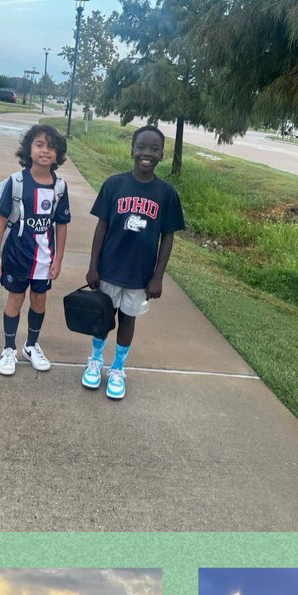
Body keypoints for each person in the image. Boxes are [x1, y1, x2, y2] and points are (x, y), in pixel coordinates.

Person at [84, 125, 186, 400]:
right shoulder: (114, 185)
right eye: (141, 146)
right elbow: (101, 227)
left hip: (140, 275)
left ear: (162, 155)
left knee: (128, 320)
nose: (147, 153)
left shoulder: (166, 194)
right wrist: (93, 266)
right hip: (108, 268)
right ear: (132, 149)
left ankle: (117, 368)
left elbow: (167, 237)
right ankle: (95, 360)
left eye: (154, 149)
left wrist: (158, 276)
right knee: (103, 319)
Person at [0, 124, 71, 375]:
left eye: (51, 146)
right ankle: (9, 349)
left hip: (44, 259)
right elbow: (1, 219)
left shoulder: (60, 187)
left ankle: (31, 346)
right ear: (29, 149)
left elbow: (62, 225)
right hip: (16, 253)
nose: (45, 151)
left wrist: (58, 259)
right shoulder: (16, 182)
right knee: (15, 298)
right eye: (39, 145)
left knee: (39, 300)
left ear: (58, 154)